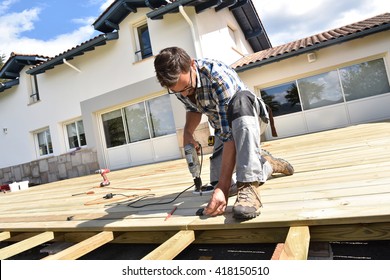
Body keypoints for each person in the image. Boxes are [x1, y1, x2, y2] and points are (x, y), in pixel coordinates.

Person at [154, 47, 294, 220]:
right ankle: (267, 165)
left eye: (187, 87)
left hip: (250, 118)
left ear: (191, 64)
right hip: (224, 128)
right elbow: (193, 109)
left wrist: (223, 187)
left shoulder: (217, 76)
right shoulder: (180, 83)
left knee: (240, 99)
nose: (183, 93)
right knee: (218, 183)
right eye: (178, 91)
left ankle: (249, 186)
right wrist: (188, 133)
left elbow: (230, 135)